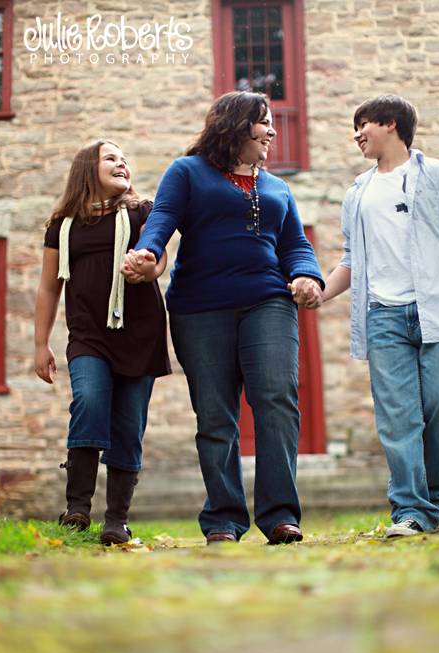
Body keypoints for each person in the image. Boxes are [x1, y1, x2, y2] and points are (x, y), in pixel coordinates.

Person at [122, 91, 324, 545]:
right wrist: (147, 250)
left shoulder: (278, 187)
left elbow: (295, 245)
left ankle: (279, 515)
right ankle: (223, 518)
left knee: (276, 399)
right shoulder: (188, 172)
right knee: (215, 415)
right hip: (200, 307)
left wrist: (308, 277)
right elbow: (163, 219)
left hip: (268, 301)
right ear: (236, 125)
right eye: (264, 122)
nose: (273, 131)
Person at [323, 94, 439, 537]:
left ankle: (438, 496)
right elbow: (351, 260)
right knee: (398, 416)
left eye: (364, 124)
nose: (357, 134)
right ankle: (410, 510)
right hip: (383, 316)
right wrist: (320, 292)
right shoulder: (358, 191)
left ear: (391, 124)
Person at [34, 139, 170, 545]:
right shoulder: (63, 226)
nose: (121, 163)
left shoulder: (141, 212)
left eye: (125, 159)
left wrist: (149, 268)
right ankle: (77, 508)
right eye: (111, 157)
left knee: (128, 424)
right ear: (86, 170)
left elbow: (158, 257)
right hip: (89, 335)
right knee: (90, 400)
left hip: (139, 333)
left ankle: (117, 521)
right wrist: (41, 344)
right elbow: (46, 289)